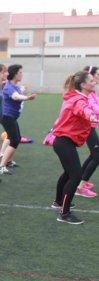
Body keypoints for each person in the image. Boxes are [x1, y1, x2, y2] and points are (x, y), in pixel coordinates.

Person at [51, 71, 97, 224]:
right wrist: (90, 115)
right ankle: (64, 214)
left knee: (69, 173)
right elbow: (82, 109)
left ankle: (58, 202)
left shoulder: (77, 96)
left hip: (63, 141)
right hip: (64, 142)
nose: (94, 81)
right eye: (91, 80)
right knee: (75, 176)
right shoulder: (78, 100)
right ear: (83, 85)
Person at [0, 64, 37, 175]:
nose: (22, 74)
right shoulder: (9, 87)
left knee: (14, 137)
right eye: (20, 72)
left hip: (11, 117)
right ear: (15, 74)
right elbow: (15, 96)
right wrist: (28, 98)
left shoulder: (14, 86)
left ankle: (7, 161)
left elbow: (19, 91)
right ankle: (1, 166)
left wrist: (23, 90)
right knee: (15, 139)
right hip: (6, 116)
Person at [76, 65, 99, 198]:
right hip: (87, 127)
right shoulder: (87, 94)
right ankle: (80, 186)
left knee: (94, 154)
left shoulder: (93, 92)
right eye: (97, 74)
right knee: (97, 155)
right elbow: (93, 108)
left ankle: (81, 180)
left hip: (92, 126)